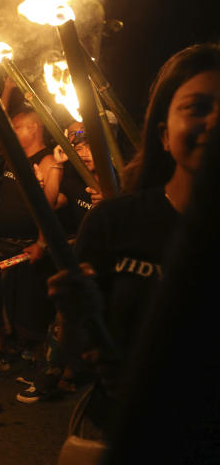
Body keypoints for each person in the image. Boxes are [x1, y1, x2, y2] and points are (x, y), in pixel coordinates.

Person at [49, 43, 220, 448]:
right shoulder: (114, 222)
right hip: (118, 434)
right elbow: (76, 352)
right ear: (163, 134)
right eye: (197, 107)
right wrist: (75, 316)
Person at [0, 75, 60, 372]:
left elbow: (49, 207)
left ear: (34, 127)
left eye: (17, 127)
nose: (12, 132)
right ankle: (1, 353)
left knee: (26, 305)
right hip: (0, 242)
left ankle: (31, 359)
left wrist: (40, 242)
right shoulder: (9, 160)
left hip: (25, 247)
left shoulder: (49, 161)